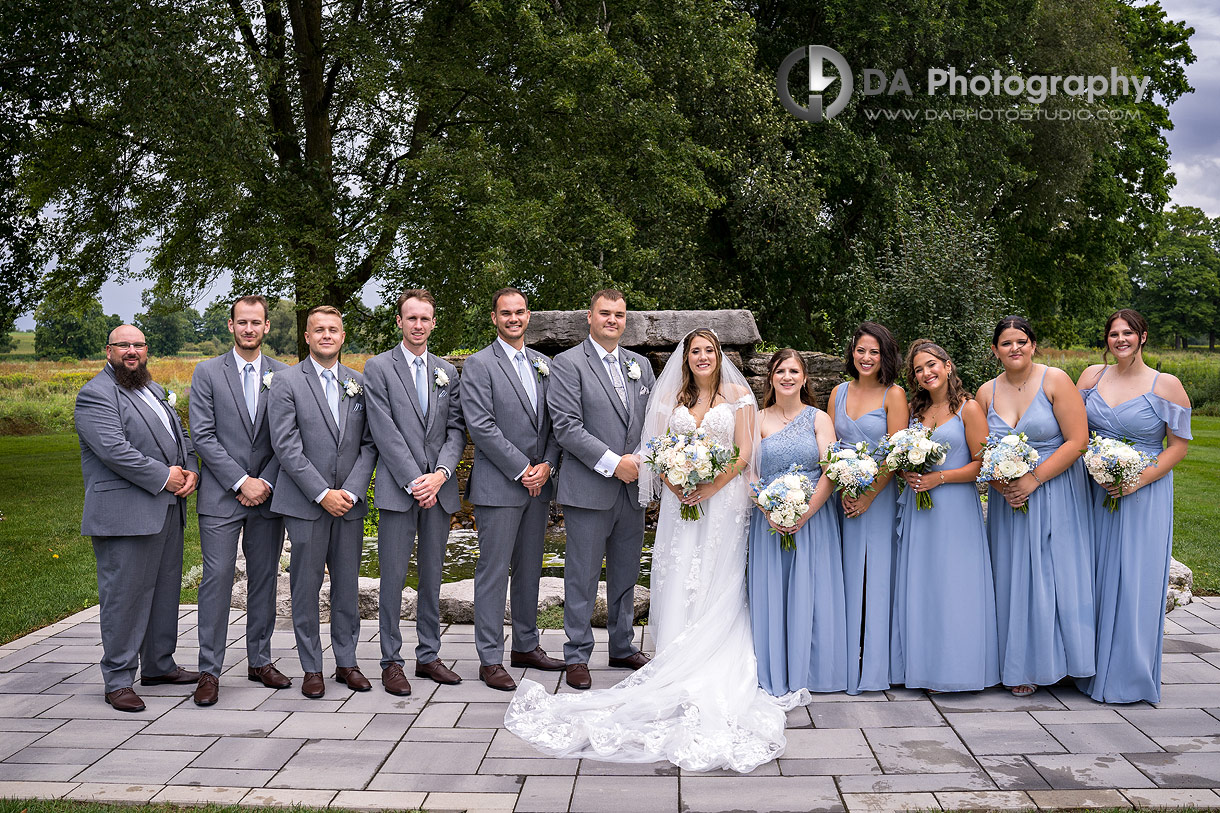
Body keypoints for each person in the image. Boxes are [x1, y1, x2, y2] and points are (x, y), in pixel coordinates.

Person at [505, 328, 805, 773]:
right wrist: (678, 484)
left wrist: (708, 487)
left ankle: (701, 654)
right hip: (681, 502)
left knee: (716, 579)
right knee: (678, 574)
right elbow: (657, 450)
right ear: (685, 358)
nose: (702, 357)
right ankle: (665, 653)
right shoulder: (671, 400)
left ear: (720, 355)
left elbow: (743, 455)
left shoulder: (740, 399)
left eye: (709, 350)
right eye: (695, 351)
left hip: (722, 505)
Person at [75, 324, 200, 712]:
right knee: (124, 598)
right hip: (125, 512)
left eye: (138, 344)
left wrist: (191, 468)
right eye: (123, 345)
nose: (131, 351)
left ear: (146, 350)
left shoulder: (153, 389)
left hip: (165, 508)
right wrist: (165, 476)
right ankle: (117, 680)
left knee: (164, 592)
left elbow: (182, 436)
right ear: (108, 351)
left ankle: (159, 666)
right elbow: (114, 450)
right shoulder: (96, 395)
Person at [1076, 308, 1191, 704]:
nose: (1120, 339)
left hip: (1144, 491)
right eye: (1113, 333)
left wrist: (1136, 480)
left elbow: (1178, 447)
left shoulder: (1166, 385)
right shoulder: (1091, 377)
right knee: (1092, 573)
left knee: (1133, 578)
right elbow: (1073, 431)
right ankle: (1086, 668)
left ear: (1143, 336)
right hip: (1094, 490)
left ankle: (1128, 674)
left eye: (1128, 333)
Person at [976, 316, 1094, 698]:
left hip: (1056, 491)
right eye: (1007, 343)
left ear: (1033, 344)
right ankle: (1022, 664)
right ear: (995, 350)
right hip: (1008, 500)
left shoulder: (1055, 380)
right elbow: (979, 451)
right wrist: (1003, 484)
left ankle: (1067, 663)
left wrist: (1033, 479)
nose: (1015, 349)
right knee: (1014, 576)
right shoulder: (985, 393)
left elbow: (1078, 440)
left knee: (1056, 573)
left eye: (1022, 341)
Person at [545, 289, 657, 690]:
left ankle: (623, 645)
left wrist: (643, 461)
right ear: (589, 317)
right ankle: (577, 654)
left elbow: (653, 423)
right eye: (605, 313)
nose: (613, 320)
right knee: (582, 575)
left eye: (620, 314)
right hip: (590, 489)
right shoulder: (568, 364)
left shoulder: (640, 366)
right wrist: (616, 464)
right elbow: (566, 427)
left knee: (626, 571)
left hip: (633, 491)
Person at [267, 305, 378, 699]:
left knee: (347, 586)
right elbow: (285, 445)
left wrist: (349, 491)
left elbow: (370, 443)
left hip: (349, 503)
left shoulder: (360, 383)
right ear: (307, 338)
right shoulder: (285, 382)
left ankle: (346, 662)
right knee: (306, 586)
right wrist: (321, 493)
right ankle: (311, 666)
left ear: (342, 336)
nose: (327, 335)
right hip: (305, 504)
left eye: (333, 329)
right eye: (319, 330)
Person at [189, 295, 292, 706]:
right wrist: (240, 481)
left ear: (267, 327)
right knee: (216, 580)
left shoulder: (285, 376)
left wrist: (263, 481)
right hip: (220, 495)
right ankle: (209, 670)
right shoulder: (207, 372)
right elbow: (203, 435)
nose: (249, 329)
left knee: (264, 579)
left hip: (268, 496)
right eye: (242, 322)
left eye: (256, 322)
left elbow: (288, 438)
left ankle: (260, 660)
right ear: (230, 326)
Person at [363, 289, 467, 694]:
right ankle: (391, 660)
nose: (418, 325)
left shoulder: (447, 372)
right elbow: (383, 430)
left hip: (438, 491)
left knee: (432, 575)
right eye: (411, 318)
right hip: (398, 490)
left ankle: (429, 656)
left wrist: (440, 474)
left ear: (433, 323)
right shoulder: (378, 368)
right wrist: (414, 479)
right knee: (391, 577)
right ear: (399, 322)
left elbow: (457, 429)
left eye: (425, 318)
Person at [462, 287, 565, 691]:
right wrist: (523, 468)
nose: (514, 319)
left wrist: (547, 466)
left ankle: (526, 645)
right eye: (506, 313)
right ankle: (490, 658)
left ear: (528, 315)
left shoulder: (544, 364)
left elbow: (558, 422)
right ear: (494, 318)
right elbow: (481, 427)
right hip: (499, 486)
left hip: (538, 485)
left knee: (529, 569)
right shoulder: (479, 365)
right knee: (492, 571)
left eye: (520, 312)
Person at [891, 340, 999, 693]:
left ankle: (957, 668)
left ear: (948, 365)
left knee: (954, 585)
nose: (927, 373)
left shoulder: (968, 409)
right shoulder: (913, 411)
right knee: (924, 584)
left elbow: (983, 465)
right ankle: (922, 667)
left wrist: (940, 477)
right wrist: (907, 471)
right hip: (921, 508)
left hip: (955, 508)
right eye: (919, 369)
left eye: (932, 365)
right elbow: (902, 453)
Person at [749, 349, 847, 694]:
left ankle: (814, 672)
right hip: (769, 523)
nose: (787, 377)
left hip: (815, 520)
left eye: (794, 371)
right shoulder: (756, 419)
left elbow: (831, 471)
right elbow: (748, 473)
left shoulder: (819, 419)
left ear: (804, 378)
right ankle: (775, 667)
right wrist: (769, 509)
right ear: (771, 379)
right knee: (775, 593)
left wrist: (805, 513)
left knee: (813, 591)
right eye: (780, 371)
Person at [828, 322, 907, 695]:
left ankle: (877, 666)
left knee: (877, 577)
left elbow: (896, 455)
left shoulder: (895, 395)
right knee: (843, 575)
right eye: (861, 350)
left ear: (885, 356)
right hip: (842, 495)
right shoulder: (838, 392)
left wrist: (870, 494)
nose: (866, 357)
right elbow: (828, 450)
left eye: (874, 352)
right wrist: (843, 488)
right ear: (852, 352)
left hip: (879, 495)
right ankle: (843, 662)